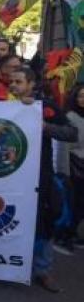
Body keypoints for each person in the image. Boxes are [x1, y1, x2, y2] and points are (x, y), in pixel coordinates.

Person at [8, 67, 78, 292]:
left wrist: (46, 127)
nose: (13, 85)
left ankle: (43, 270)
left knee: (44, 219)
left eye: (19, 81)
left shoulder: (45, 107)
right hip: (8, 176)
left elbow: (72, 133)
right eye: (11, 81)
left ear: (31, 84)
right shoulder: (0, 104)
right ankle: (6, 265)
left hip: (40, 174)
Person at [58, 84, 84, 248]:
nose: (83, 99)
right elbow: (64, 147)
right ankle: (65, 235)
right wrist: (63, 171)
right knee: (73, 202)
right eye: (80, 95)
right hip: (75, 166)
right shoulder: (70, 117)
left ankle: (75, 233)